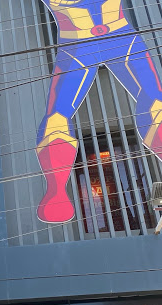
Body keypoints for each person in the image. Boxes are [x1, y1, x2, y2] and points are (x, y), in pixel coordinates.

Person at [36, 0, 162, 222]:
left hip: (113, 38)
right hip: (83, 43)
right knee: (56, 120)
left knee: (156, 107)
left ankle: (56, 194)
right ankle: (56, 193)